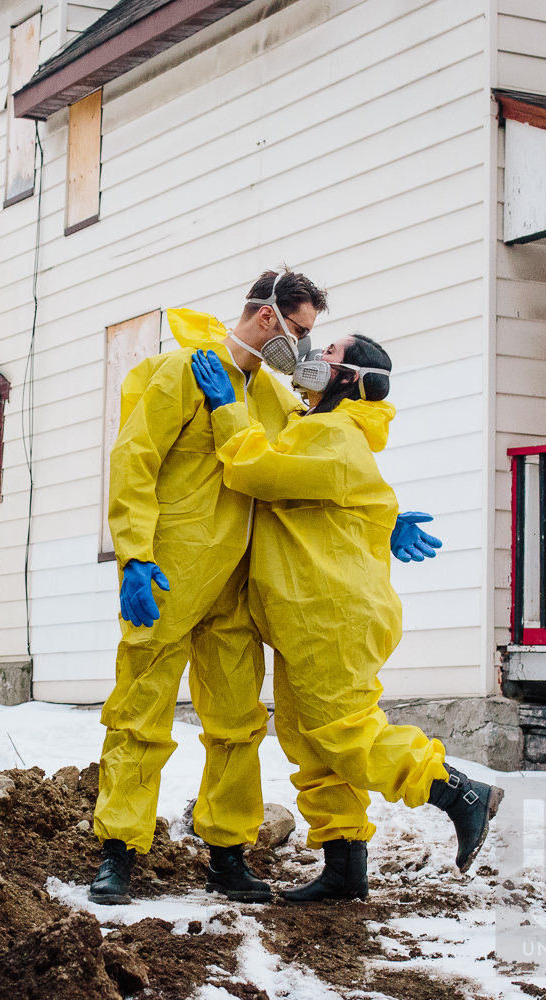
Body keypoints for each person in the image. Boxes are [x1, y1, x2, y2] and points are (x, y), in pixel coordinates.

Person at [189, 333, 502, 902]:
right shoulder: (321, 430)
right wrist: (389, 516)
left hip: (330, 614)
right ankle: (344, 867)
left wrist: (227, 410)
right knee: (310, 741)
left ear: (352, 378)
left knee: (341, 733)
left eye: (327, 353)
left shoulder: (335, 434)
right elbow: (331, 498)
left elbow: (256, 472)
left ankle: (458, 792)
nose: (310, 357)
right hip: (304, 611)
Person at [88, 270, 326, 906]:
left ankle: (226, 854)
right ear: (269, 317)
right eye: (302, 331)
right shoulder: (181, 372)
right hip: (165, 573)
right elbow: (134, 460)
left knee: (236, 722)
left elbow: (305, 457)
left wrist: (379, 511)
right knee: (140, 712)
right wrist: (134, 555)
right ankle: (119, 854)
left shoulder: (270, 396)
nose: (303, 347)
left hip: (233, 585)